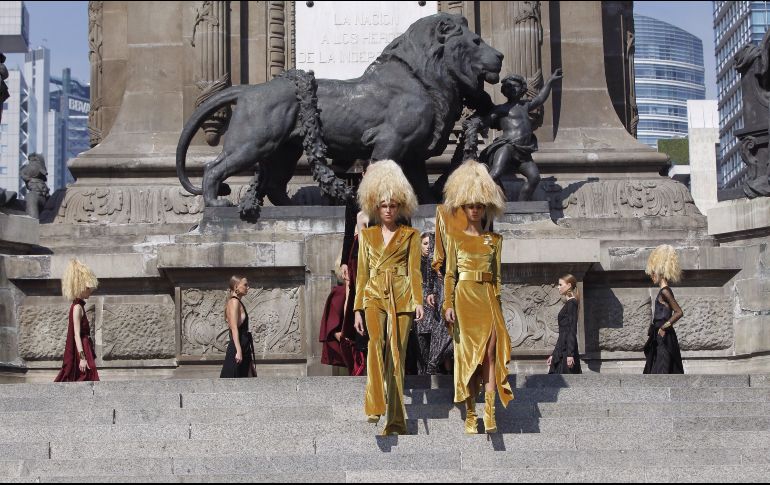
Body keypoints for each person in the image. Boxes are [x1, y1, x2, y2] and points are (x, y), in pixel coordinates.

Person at [353, 159, 424, 435]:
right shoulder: (367, 237)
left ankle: (395, 419)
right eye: (383, 205)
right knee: (375, 344)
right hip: (373, 295)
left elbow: (415, 271)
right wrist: (357, 308)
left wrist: (418, 300)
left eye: (392, 205)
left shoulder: (411, 235)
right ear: (376, 206)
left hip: (402, 296)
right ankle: (374, 405)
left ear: (399, 207)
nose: (387, 210)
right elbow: (361, 274)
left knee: (397, 354)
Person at [442, 160, 513, 434]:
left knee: (491, 355)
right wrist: (447, 304)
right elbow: (449, 275)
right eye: (470, 204)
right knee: (468, 358)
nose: (475, 209)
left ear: (485, 207)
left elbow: (497, 278)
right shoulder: (455, 238)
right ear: (463, 207)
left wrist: (499, 307)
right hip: (463, 298)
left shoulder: (495, 241)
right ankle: (471, 413)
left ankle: (490, 412)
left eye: (480, 205)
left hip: (487, 299)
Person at [479, 69, 563, 201]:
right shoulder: (501, 109)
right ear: (504, 90)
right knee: (495, 173)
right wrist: (477, 125)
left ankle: (522, 203)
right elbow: (486, 121)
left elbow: (540, 98)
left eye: (515, 86)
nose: (512, 89)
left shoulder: (525, 106)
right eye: (508, 87)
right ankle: (476, 196)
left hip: (523, 151)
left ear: (523, 89)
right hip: (507, 146)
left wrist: (550, 81)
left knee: (534, 178)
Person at [55, 259, 100, 382]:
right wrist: (82, 357)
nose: (90, 291)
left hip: (85, 347)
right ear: (81, 287)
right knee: (86, 378)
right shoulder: (77, 308)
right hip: (83, 348)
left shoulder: (79, 306)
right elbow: (76, 335)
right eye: (88, 288)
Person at [643, 244, 685, 374]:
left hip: (664, 336)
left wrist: (663, 327)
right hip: (659, 336)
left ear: (661, 271)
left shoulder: (665, 292)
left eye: (653, 272)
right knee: (656, 369)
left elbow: (679, 312)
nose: (651, 275)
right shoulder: (663, 291)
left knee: (662, 370)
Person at [220, 275, 257, 378]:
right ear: (236, 286)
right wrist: (239, 351)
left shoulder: (239, 302)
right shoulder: (234, 302)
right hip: (238, 347)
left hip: (244, 346)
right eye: (245, 285)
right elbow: (234, 328)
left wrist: (249, 360)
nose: (248, 287)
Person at [546, 274, 583, 374]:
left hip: (567, 352)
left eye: (560, 284)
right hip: (562, 350)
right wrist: (554, 354)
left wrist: (570, 354)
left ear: (569, 285)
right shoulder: (569, 303)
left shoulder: (572, 303)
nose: (558, 287)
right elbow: (562, 333)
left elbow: (572, 329)